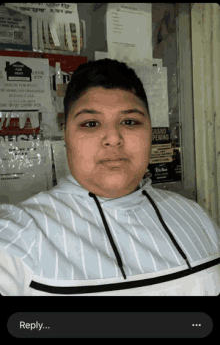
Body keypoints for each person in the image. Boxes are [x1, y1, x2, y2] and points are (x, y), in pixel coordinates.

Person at [0, 58, 220, 296]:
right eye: (91, 123)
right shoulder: (19, 234)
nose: (113, 138)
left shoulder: (195, 216)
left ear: (150, 131)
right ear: (65, 135)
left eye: (130, 121)